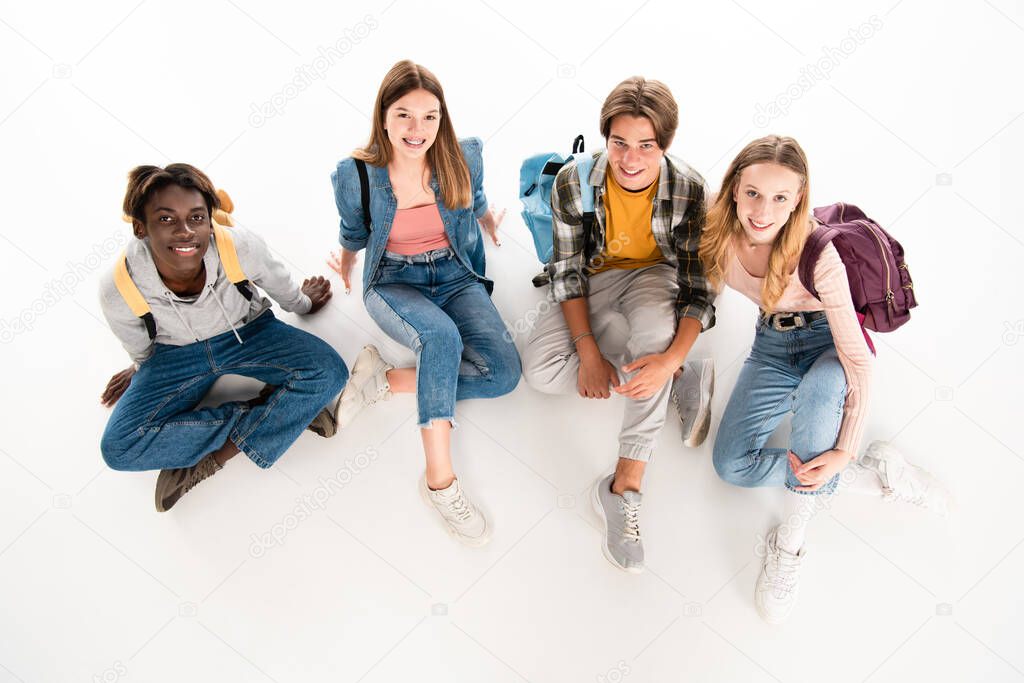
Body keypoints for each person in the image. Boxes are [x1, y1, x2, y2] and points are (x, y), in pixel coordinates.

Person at [702, 135, 951, 623]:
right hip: (771, 347)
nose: (762, 210)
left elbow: (858, 362)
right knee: (730, 465)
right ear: (733, 188)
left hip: (827, 346)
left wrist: (845, 450)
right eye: (752, 192)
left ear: (798, 199)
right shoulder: (717, 228)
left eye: (779, 197)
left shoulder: (820, 256)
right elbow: (702, 288)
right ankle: (879, 480)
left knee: (819, 424)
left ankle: (789, 544)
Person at [521, 76, 715, 573]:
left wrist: (669, 354)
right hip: (595, 278)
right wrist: (587, 353)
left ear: (665, 146)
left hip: (655, 277)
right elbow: (566, 272)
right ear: (606, 139)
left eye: (646, 146)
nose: (630, 160)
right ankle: (675, 381)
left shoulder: (690, 190)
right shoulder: (574, 182)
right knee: (540, 374)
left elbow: (699, 290)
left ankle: (623, 487)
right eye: (620, 143)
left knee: (652, 338)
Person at [328, 60, 521, 547]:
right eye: (404, 115)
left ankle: (384, 380)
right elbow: (354, 230)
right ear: (384, 116)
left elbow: (474, 198)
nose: (418, 130)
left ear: (442, 117)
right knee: (441, 339)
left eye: (429, 116)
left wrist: (490, 225)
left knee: (504, 376)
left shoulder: (462, 156)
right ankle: (440, 482)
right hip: (395, 281)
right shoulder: (357, 173)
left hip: (455, 274)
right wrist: (349, 264)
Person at [99, 163, 347, 512]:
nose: (186, 232)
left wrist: (304, 303)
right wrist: (140, 368)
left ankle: (214, 457)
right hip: (176, 355)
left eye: (197, 217)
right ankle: (277, 413)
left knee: (329, 371)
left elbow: (277, 284)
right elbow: (138, 341)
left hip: (248, 333)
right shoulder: (118, 286)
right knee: (119, 448)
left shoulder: (237, 246)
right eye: (167, 219)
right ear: (141, 227)